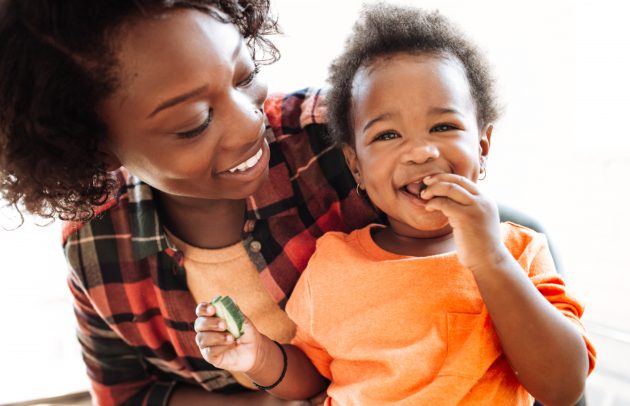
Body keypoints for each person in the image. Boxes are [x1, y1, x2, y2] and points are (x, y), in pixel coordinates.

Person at [193, 4, 596, 405]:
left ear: (483, 146)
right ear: (356, 168)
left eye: (443, 127)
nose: (420, 152)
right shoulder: (332, 263)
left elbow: (563, 387)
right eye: (387, 135)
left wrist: (490, 259)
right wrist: (258, 355)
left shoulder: (518, 252)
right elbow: (314, 378)